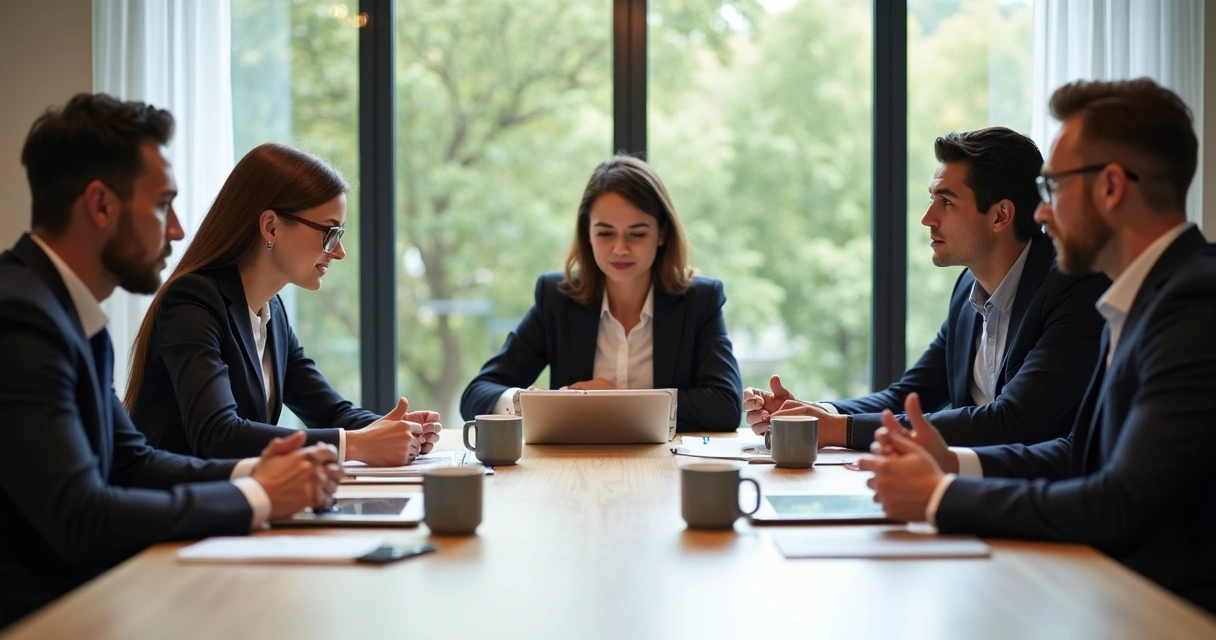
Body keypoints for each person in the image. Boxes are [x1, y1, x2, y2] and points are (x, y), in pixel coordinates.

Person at [861, 79, 1216, 613]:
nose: (1042, 213)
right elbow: (1080, 452)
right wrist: (950, 464)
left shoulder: (1196, 301)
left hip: (1167, 610)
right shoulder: (1144, 295)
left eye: (1052, 188)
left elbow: (1117, 502)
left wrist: (939, 495)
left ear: (1111, 187)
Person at [0, 94, 343, 627]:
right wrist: (257, 495)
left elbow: (132, 462)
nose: (178, 229)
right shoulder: (20, 317)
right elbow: (82, 517)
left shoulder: (67, 313)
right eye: (163, 204)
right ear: (100, 204)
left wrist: (264, 470)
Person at [744, 127, 1108, 450]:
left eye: (946, 202)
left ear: (1000, 215)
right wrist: (814, 414)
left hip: (1038, 504)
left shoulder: (1073, 286)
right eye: (932, 198)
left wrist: (841, 429)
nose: (927, 218)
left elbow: (1015, 421)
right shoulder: (968, 287)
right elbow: (909, 397)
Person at [125, 143, 440, 466]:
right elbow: (217, 434)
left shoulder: (270, 310)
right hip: (176, 509)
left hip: (232, 506)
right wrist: (357, 444)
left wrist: (394, 430)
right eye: (330, 232)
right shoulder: (192, 301)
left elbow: (329, 412)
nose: (339, 251)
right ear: (271, 226)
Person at [460, 155, 742, 432]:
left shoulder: (699, 301)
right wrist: (530, 403)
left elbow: (725, 406)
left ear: (662, 234)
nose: (620, 248)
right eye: (606, 233)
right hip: (576, 470)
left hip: (666, 470)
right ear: (587, 233)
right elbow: (476, 394)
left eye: (637, 234)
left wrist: (614, 399)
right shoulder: (557, 299)